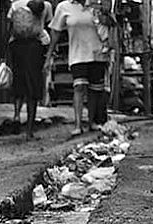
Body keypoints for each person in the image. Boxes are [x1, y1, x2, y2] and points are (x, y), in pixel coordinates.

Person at [45, 0, 111, 136]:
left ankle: (91, 122)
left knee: (94, 90)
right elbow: (55, 31)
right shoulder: (64, 7)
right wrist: (49, 55)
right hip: (77, 54)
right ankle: (78, 124)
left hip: (97, 53)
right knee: (79, 87)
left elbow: (109, 25)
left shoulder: (96, 5)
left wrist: (104, 14)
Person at [7, 0, 53, 140]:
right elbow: (48, 25)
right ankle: (29, 130)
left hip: (17, 46)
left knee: (19, 82)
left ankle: (16, 116)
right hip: (35, 46)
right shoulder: (45, 5)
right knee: (33, 86)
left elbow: (10, 26)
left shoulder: (15, 4)